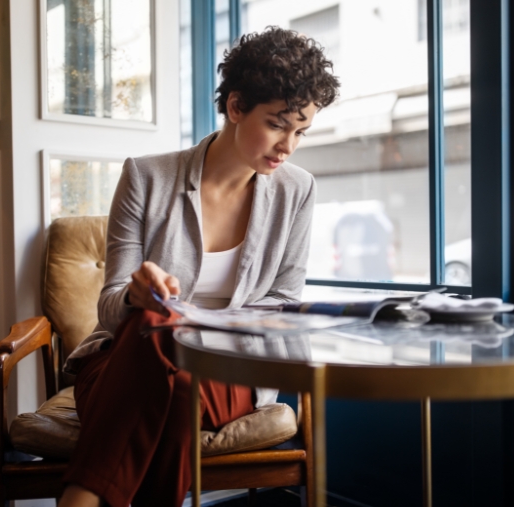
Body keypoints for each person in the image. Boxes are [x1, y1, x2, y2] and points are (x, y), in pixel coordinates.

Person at [58, 26, 340, 507]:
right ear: (235, 107)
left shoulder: (298, 190)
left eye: (301, 131)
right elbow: (108, 311)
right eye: (277, 124)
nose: (289, 145)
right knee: (157, 325)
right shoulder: (147, 177)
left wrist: (202, 328)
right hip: (120, 364)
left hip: (231, 372)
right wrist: (134, 295)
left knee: (176, 357)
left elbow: (284, 305)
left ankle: (81, 497)